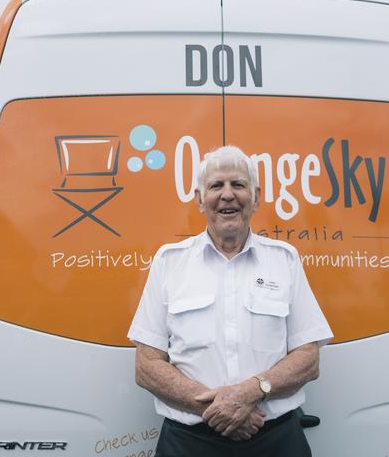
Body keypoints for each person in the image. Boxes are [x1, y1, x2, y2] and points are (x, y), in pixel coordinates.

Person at [128, 145, 333, 457]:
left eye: (238, 184)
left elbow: (308, 358)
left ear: (256, 197)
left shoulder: (284, 260)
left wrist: (251, 392)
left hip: (275, 441)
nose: (227, 195)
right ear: (199, 199)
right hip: (189, 442)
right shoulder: (169, 262)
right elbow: (147, 365)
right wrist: (221, 408)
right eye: (216, 186)